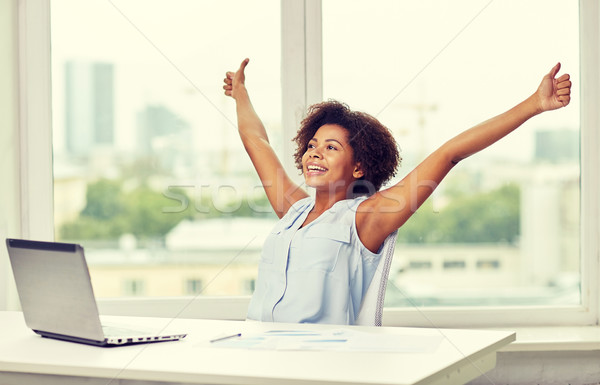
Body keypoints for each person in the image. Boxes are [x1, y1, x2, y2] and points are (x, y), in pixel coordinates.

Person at [223, 58, 572, 325]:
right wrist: (240, 94)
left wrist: (532, 105)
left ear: (358, 167)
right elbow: (257, 142)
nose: (314, 153)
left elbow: (449, 154)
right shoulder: (294, 210)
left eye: (331, 148)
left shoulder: (366, 219)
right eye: (313, 145)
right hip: (259, 356)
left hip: (317, 365)